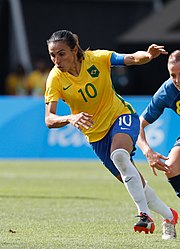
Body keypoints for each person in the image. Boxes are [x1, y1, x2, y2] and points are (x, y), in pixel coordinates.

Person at [44, 30, 178, 239]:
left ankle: (144, 214)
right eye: (52, 55)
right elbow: (49, 119)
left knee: (119, 155)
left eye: (61, 54)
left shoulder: (97, 58)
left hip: (121, 116)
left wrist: (148, 56)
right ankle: (170, 216)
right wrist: (70, 118)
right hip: (96, 136)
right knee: (135, 182)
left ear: (74, 50)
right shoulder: (55, 79)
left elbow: (131, 58)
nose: (56, 60)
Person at [137, 50, 180, 200]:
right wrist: (148, 151)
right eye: (172, 75)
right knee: (171, 166)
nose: (177, 81)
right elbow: (138, 125)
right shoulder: (167, 91)